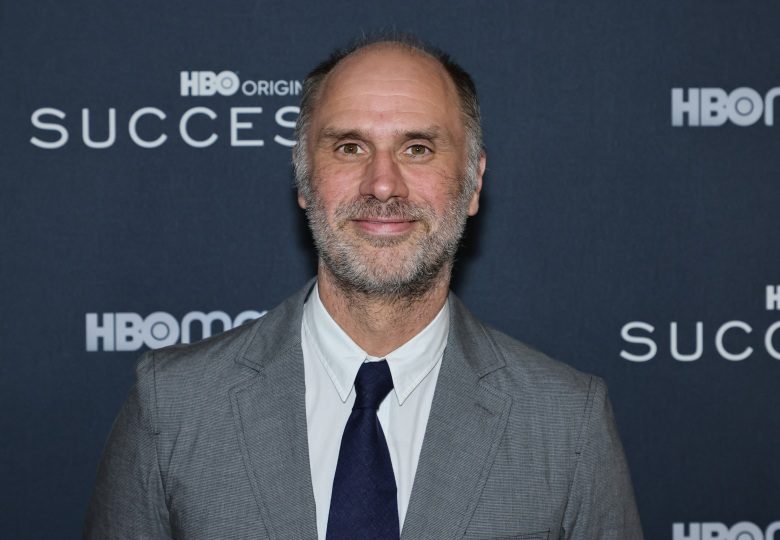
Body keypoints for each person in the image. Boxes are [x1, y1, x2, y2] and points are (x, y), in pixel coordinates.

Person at [85, 35, 643, 539]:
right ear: (305, 179)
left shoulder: (567, 422)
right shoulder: (175, 404)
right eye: (349, 147)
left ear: (473, 181)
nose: (382, 184)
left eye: (417, 148)